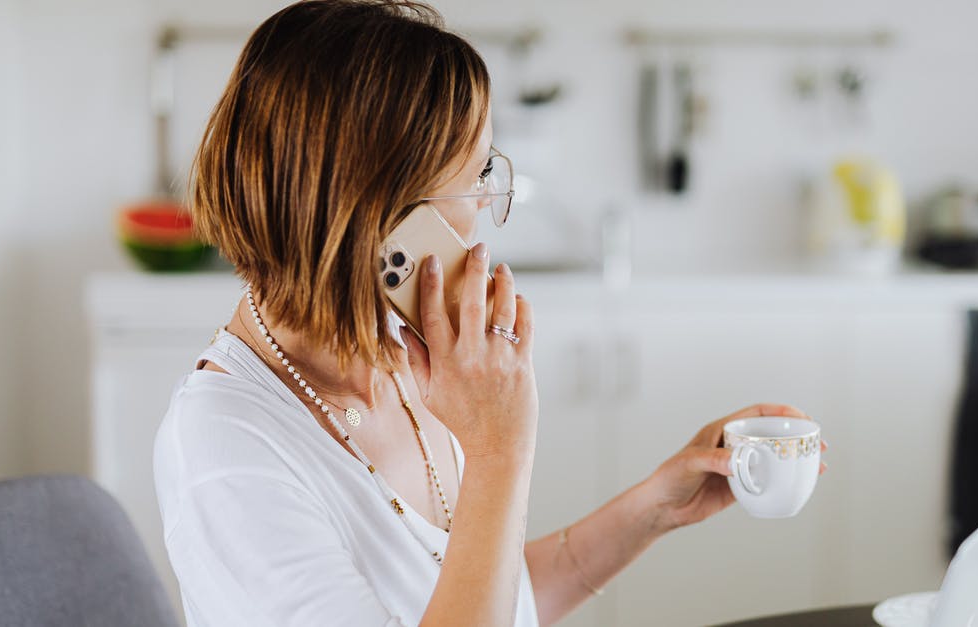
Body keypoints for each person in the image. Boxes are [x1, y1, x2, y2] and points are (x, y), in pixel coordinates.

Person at [152, 2, 826, 626]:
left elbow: (488, 598)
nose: (485, 209)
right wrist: (500, 450)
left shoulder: (397, 352)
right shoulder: (225, 445)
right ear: (382, 219)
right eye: (476, 177)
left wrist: (657, 505)